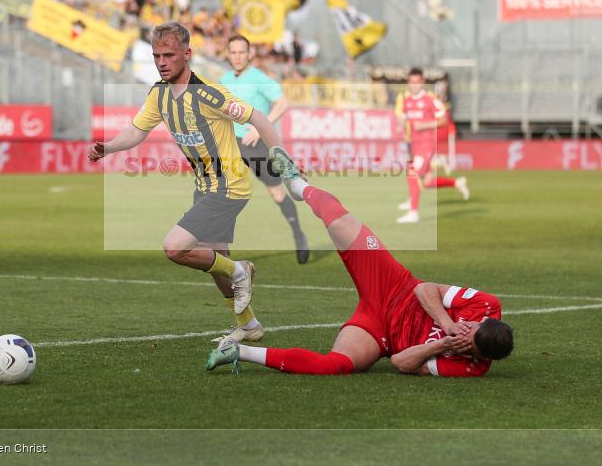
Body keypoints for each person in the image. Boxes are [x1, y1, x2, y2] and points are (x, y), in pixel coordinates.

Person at [206, 147, 513, 377]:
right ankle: (298, 185)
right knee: (338, 223)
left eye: (467, 342)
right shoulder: (485, 306)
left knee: (335, 365)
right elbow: (426, 289)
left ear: (479, 355)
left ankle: (237, 351)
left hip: (381, 332)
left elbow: (400, 363)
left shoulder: (469, 366)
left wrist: (442, 345)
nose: (464, 333)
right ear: (481, 321)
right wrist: (448, 323)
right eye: (469, 328)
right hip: (395, 285)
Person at [88, 22, 291, 343]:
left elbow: (259, 118)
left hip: (229, 186)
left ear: (187, 54)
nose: (161, 61)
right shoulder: (159, 95)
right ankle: (249, 325)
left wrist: (282, 158)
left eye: (169, 54)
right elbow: (137, 131)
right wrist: (109, 147)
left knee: (175, 247)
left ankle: (242, 270)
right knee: (215, 258)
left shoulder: (208, 94)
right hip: (205, 187)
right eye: (156, 55)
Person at [220, 35, 310, 266]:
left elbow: (283, 103)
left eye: (242, 52)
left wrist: (261, 128)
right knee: (225, 194)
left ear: (249, 54)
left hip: (256, 145)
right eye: (234, 52)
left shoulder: (260, 79)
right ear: (228, 54)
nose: (238, 56)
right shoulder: (224, 79)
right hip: (233, 145)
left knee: (277, 193)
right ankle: (223, 252)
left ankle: (299, 235)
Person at [396, 69, 469, 224]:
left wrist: (425, 125)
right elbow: (403, 119)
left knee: (412, 173)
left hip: (427, 144)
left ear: (422, 82)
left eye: (417, 82)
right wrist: (401, 124)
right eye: (411, 82)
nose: (414, 85)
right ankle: (456, 183)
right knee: (427, 182)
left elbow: (443, 120)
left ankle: (413, 212)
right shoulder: (407, 101)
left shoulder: (431, 99)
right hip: (414, 144)